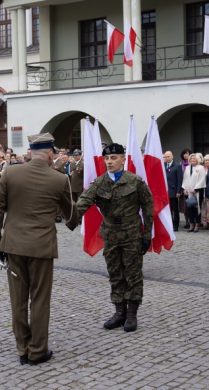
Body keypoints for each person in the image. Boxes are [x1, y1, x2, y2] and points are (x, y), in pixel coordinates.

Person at [0, 133, 77, 366]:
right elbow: (70, 216)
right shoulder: (59, 179)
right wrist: (76, 215)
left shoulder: (11, 172)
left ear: (30, 152)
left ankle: (22, 349)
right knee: (39, 299)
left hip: (13, 245)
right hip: (41, 247)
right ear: (50, 154)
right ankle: (37, 351)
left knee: (18, 300)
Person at [74, 142, 153, 333]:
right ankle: (119, 312)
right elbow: (83, 203)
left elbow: (148, 207)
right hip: (110, 234)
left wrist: (147, 235)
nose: (109, 162)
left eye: (114, 158)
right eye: (107, 158)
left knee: (133, 274)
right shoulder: (99, 183)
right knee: (115, 273)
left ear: (123, 159)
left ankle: (132, 314)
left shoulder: (135, 181)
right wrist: (67, 216)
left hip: (132, 233)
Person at [182, 153, 206, 232]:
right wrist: (184, 188)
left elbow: (202, 179)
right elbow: (185, 179)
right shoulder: (187, 168)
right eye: (191, 159)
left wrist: (196, 189)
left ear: (197, 159)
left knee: (197, 208)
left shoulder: (201, 168)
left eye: (194, 158)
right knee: (190, 208)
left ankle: (197, 225)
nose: (192, 160)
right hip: (188, 192)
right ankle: (191, 224)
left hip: (197, 191)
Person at [163, 151, 183, 231]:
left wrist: (178, 191)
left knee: (175, 209)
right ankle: (168, 224)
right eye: (166, 156)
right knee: (167, 210)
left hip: (173, 191)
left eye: (168, 156)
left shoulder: (177, 166)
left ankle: (175, 225)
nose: (167, 158)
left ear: (172, 156)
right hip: (165, 191)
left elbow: (179, 179)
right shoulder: (163, 165)